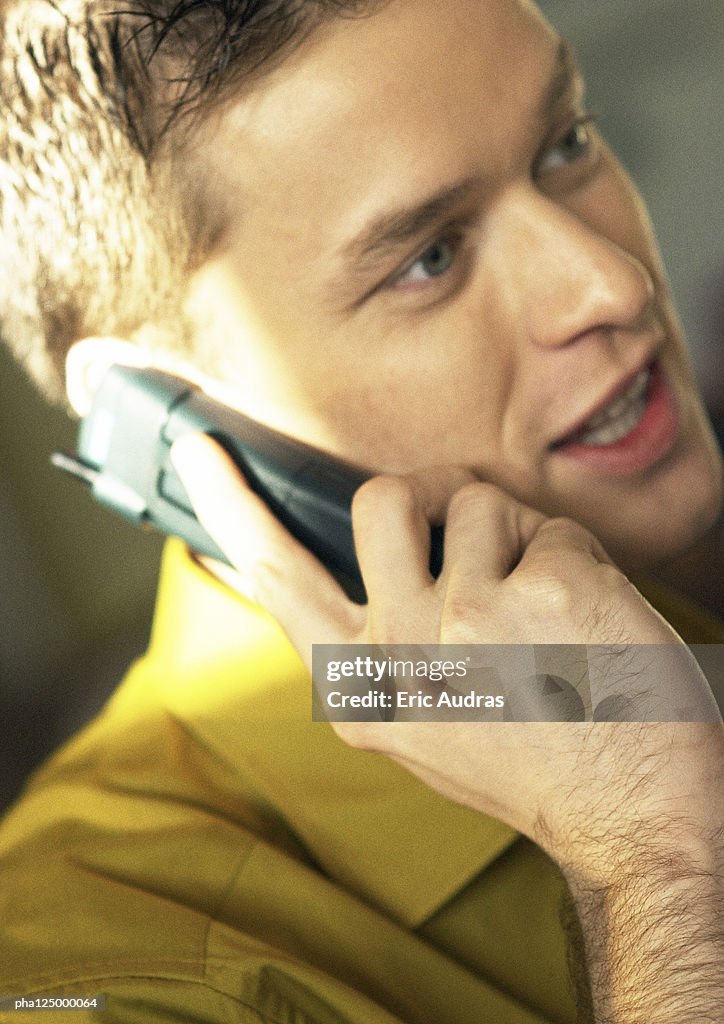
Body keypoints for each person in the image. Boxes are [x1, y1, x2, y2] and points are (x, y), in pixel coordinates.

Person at [0, 1, 722, 1022]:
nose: (609, 282)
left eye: (565, 141)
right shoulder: (101, 969)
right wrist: (658, 864)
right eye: (429, 257)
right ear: (166, 417)